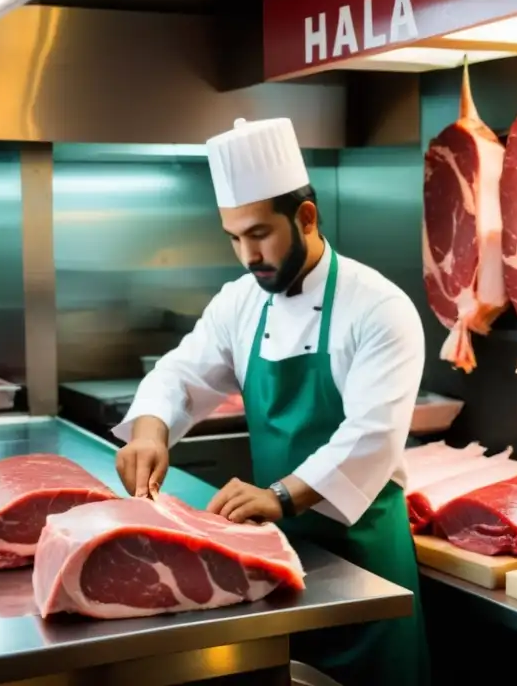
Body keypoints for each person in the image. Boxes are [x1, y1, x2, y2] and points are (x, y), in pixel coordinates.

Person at [113, 117, 429, 686]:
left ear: (305, 217)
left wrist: (281, 496)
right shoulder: (240, 303)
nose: (246, 255)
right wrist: (150, 430)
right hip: (278, 565)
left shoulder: (379, 307)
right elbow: (181, 373)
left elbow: (372, 437)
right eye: (234, 237)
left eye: (259, 233)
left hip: (367, 571)